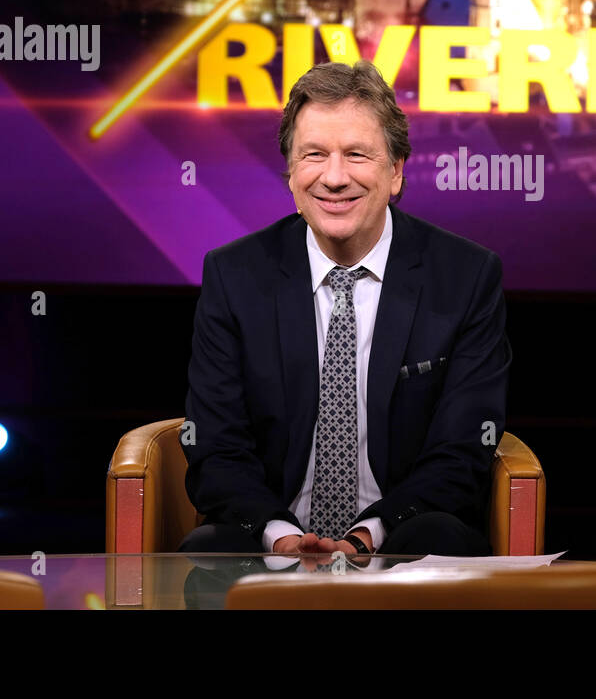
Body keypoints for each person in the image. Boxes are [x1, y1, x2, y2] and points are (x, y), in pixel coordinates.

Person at [179, 60, 510, 562]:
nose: (334, 178)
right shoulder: (234, 276)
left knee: (438, 538)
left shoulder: (466, 277)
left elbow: (461, 450)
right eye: (314, 155)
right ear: (291, 173)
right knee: (207, 549)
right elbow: (216, 447)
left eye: (356, 155)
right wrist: (279, 535)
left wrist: (368, 536)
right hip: (270, 537)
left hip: (402, 535)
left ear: (395, 171)